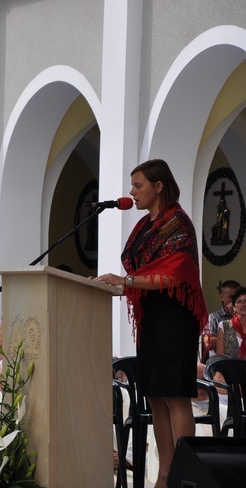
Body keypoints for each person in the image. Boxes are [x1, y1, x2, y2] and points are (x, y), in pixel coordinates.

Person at [95, 159, 207, 488]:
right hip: (151, 318)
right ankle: (164, 474)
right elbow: (140, 273)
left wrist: (126, 282)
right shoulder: (144, 227)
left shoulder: (179, 225)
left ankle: (184, 476)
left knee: (175, 396)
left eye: (138, 185)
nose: (132, 192)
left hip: (175, 318)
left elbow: (172, 274)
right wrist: (111, 284)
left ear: (158, 186)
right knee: (156, 397)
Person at [204, 280, 240, 360]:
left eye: (237, 296)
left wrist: (236, 316)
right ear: (221, 297)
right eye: (231, 297)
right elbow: (209, 343)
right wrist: (235, 340)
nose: (234, 300)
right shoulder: (213, 317)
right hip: (220, 364)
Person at [216, 286, 246, 358]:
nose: (243, 305)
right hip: (230, 368)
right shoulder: (224, 326)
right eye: (239, 302)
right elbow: (220, 358)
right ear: (234, 306)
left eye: (245, 301)